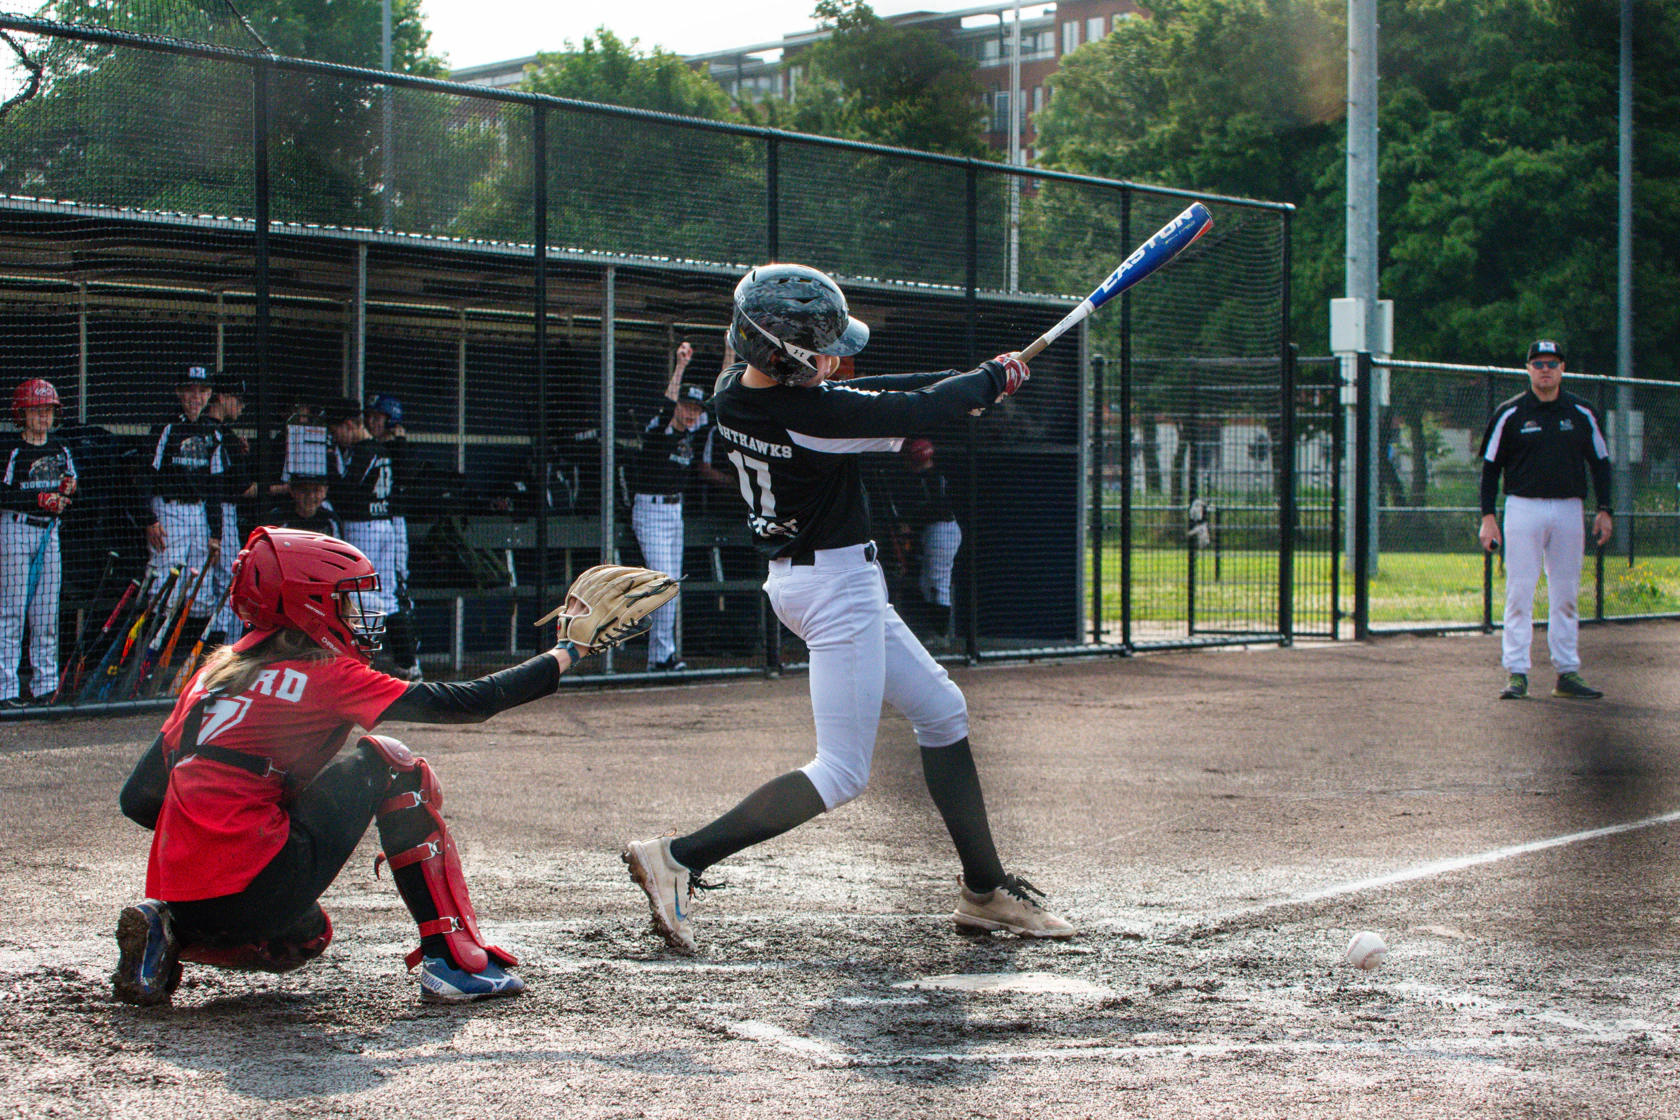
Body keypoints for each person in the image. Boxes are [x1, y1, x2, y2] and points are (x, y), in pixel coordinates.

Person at [624, 263, 1073, 952]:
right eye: (825, 349)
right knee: (840, 771)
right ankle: (679, 856)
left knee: (942, 710)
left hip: (811, 583)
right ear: (789, 359)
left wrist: (972, 384)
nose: (837, 357)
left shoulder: (732, 394)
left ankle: (984, 891)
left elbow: (876, 397)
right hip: (836, 590)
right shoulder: (817, 419)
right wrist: (991, 382)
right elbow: (906, 411)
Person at [110, 528, 607, 1007]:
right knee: (391, 761)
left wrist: (230, 821)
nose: (356, 614)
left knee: (308, 936)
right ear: (309, 605)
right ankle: (453, 963)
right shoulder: (324, 672)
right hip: (254, 890)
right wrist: (569, 651)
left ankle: (171, 933)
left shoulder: (210, 676)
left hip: (181, 894)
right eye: (344, 601)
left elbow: (138, 799)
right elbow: (465, 702)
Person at [1478, 339, 1614, 700]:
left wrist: (1605, 510)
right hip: (1524, 508)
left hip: (1569, 508)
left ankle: (1567, 672)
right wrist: (1488, 517)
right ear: (1528, 369)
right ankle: (1517, 672)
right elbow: (1490, 469)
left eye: (1552, 363)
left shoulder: (1582, 412)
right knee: (1520, 592)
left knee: (1566, 594)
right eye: (1537, 363)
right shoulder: (1511, 413)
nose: (1545, 370)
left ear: (1563, 369)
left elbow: (1601, 463)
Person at [625, 342, 710, 671]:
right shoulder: (659, 429)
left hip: (675, 513)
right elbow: (665, 405)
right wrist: (681, 365)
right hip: (650, 509)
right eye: (686, 406)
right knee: (665, 583)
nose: (691, 412)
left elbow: (717, 403)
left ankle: (661, 657)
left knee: (672, 584)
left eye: (695, 409)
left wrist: (729, 353)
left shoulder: (695, 429)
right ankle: (659, 657)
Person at [322, 398, 420, 681]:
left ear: (350, 424)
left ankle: (365, 665)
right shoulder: (380, 448)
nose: (335, 435)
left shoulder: (367, 450)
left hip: (364, 528)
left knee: (361, 596)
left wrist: (329, 466)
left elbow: (345, 492)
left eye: (337, 428)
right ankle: (407, 664)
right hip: (383, 525)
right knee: (383, 598)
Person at [0, 379, 77, 708]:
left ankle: (45, 686)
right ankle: (6, 689)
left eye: (48, 410)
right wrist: (38, 499)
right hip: (16, 529)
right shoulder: (11, 448)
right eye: (36, 410)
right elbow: (2, 492)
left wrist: (66, 493)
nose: (43, 417)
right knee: (12, 612)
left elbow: (73, 486)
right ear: (22, 413)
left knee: (46, 614)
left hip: (50, 532)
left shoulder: (60, 449)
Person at [139, 365, 223, 629]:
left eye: (202, 391)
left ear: (209, 395)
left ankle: (184, 662)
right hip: (168, 509)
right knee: (164, 586)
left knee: (200, 591)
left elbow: (215, 486)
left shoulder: (213, 432)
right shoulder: (167, 428)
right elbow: (144, 476)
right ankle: (149, 658)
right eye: (189, 391)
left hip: (199, 514)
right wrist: (149, 519)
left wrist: (216, 532)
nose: (195, 397)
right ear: (179, 393)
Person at [364, 394, 418, 673]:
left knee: (396, 589)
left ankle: (410, 663)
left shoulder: (397, 448)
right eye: (370, 416)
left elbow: (407, 478)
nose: (372, 422)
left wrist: (398, 443)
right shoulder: (365, 447)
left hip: (392, 523)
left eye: (379, 418)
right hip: (372, 525)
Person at [204, 375, 255, 643]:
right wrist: (287, 489)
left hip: (199, 514)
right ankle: (225, 649)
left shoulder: (203, 430)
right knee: (228, 584)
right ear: (222, 398)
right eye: (239, 400)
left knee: (211, 588)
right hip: (221, 513)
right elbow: (246, 489)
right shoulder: (224, 436)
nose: (242, 406)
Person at [264, 475, 341, 537]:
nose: (311, 496)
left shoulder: (331, 521)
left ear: (325, 491)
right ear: (292, 491)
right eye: (304, 490)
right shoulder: (278, 518)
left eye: (316, 490)